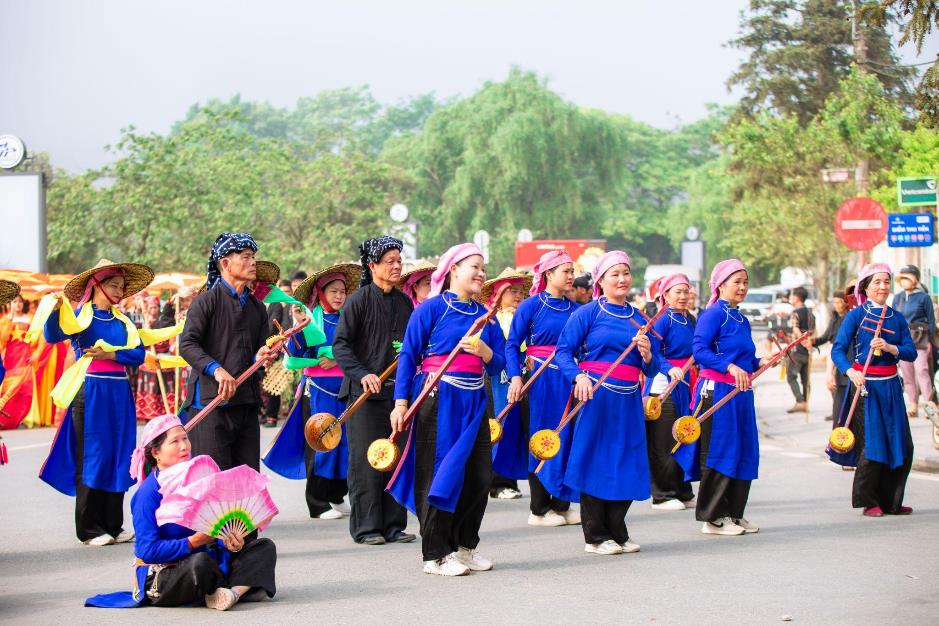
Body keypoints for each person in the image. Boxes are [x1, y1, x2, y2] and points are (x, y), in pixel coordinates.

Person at [387, 242, 506, 576]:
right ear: (453, 269)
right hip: (438, 398)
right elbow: (409, 357)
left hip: (475, 401)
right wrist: (400, 402)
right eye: (475, 267)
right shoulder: (431, 309)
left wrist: (484, 351)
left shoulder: (487, 319)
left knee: (480, 476)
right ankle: (435, 554)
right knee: (439, 475)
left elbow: (497, 365)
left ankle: (465, 547)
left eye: (484, 268)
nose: (481, 274)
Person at [85, 414, 277, 610]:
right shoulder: (148, 494)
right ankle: (237, 587)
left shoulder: (199, 478)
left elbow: (215, 529)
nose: (184, 446)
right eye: (174, 442)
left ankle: (231, 594)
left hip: (209, 561)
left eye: (185, 438)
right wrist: (193, 542)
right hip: (169, 572)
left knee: (263, 547)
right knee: (199, 564)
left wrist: (231, 543)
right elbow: (147, 551)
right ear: (156, 453)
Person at [39, 259, 169, 545]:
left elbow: (137, 355)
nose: (119, 291)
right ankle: (89, 529)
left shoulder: (124, 322)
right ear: (95, 285)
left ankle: (114, 524)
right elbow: (52, 335)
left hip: (120, 392)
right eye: (113, 285)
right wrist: (54, 309)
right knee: (94, 455)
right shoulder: (80, 317)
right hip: (90, 390)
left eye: (122, 287)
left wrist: (111, 355)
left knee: (121, 453)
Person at [554, 251, 658, 555]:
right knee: (596, 461)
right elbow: (563, 352)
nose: (622, 279)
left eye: (626, 273)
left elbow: (652, 367)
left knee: (627, 460)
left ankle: (617, 528)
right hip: (596, 397)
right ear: (601, 280)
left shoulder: (640, 319)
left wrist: (649, 354)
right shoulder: (587, 314)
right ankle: (596, 535)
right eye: (615, 274)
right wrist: (578, 378)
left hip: (628, 401)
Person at [332, 236, 415, 545]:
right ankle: (367, 527)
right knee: (367, 462)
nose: (396, 266)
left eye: (398, 260)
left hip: (397, 395)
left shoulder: (405, 302)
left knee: (394, 455)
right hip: (364, 396)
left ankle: (394, 525)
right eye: (389, 261)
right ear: (373, 266)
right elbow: (340, 345)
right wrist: (362, 373)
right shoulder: (358, 300)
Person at [263, 263, 360, 520]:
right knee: (320, 442)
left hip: (346, 390)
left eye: (342, 291)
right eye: (333, 291)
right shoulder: (310, 318)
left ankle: (337, 495)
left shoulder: (349, 318)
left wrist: (338, 359)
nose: (339, 296)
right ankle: (317, 502)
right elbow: (293, 358)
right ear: (321, 292)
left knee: (345, 443)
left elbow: (358, 350)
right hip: (317, 391)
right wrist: (313, 353)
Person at [686, 258, 771, 536]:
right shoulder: (713, 314)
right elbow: (699, 350)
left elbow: (744, 358)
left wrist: (761, 362)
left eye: (745, 282)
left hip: (741, 393)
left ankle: (734, 512)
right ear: (720, 285)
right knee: (720, 451)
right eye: (737, 281)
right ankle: (713, 517)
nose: (743, 287)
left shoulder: (741, 318)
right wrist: (728, 366)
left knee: (744, 450)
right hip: (718, 391)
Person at [179, 233, 275, 472]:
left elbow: (258, 350)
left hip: (246, 400)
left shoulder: (257, 308)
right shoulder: (205, 302)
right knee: (213, 479)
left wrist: (263, 355)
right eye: (245, 257)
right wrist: (217, 370)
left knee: (246, 477)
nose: (253, 262)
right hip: (211, 402)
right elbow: (188, 344)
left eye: (253, 257)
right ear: (225, 263)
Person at [830, 264, 918, 516]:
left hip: (891, 387)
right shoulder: (856, 316)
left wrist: (891, 348)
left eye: (886, 282)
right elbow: (838, 349)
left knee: (902, 444)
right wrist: (850, 371)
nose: (882, 287)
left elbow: (910, 352)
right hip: (865, 387)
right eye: (877, 282)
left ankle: (892, 501)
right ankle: (869, 501)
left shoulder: (897, 318)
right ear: (866, 287)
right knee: (873, 444)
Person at [505, 250, 580, 526]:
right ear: (548, 274)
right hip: (538, 380)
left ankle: (562, 504)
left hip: (568, 380)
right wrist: (515, 378)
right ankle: (538, 508)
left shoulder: (576, 310)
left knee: (567, 436)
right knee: (540, 438)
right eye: (566, 271)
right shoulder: (531, 306)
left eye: (572, 271)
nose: (571, 276)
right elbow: (512, 344)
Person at [643, 273, 696, 511]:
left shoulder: (691, 319)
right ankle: (662, 494)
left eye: (686, 291)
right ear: (665, 296)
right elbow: (653, 351)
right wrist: (669, 368)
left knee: (682, 434)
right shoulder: (662, 319)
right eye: (678, 292)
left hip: (686, 383)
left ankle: (682, 490)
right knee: (663, 440)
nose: (683, 296)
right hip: (663, 385)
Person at [481, 268, 531, 501]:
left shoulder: (526, 316)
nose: (518, 295)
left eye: (521, 291)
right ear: (498, 293)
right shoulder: (492, 319)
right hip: (497, 378)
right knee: (498, 424)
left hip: (522, 376)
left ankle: (510, 478)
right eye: (512, 290)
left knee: (517, 427)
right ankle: (497, 481)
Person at [893, 265, 935, 417]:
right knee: (907, 373)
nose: (904, 281)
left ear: (915, 279)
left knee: (922, 370)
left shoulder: (924, 297)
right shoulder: (897, 298)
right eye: (902, 278)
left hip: (920, 339)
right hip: (903, 340)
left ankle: (930, 404)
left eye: (907, 277)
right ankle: (913, 404)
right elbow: (893, 320)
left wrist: (929, 341)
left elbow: (931, 321)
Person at [0, 293, 38, 429]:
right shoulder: (5, 320)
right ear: (10, 304)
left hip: (26, 359)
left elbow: (37, 339)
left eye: (20, 302)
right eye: (15, 302)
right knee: (9, 390)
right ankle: (7, 419)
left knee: (26, 390)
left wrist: (35, 354)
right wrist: (8, 321)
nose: (18, 304)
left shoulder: (30, 319)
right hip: (11, 360)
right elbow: (2, 340)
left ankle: (23, 418)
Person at [815, 287, 852, 422]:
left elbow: (838, 343)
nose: (836, 305)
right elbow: (826, 337)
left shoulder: (849, 319)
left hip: (845, 358)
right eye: (834, 302)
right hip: (835, 356)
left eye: (839, 302)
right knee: (834, 388)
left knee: (841, 391)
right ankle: (837, 412)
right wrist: (813, 341)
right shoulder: (835, 319)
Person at [784, 286, 815, 413]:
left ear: (796, 297)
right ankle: (805, 402)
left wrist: (802, 341)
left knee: (791, 376)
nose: (790, 298)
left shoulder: (795, 313)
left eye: (791, 295)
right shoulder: (811, 313)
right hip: (808, 352)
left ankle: (800, 401)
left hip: (796, 351)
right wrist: (809, 344)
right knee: (805, 379)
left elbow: (796, 329)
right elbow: (813, 333)